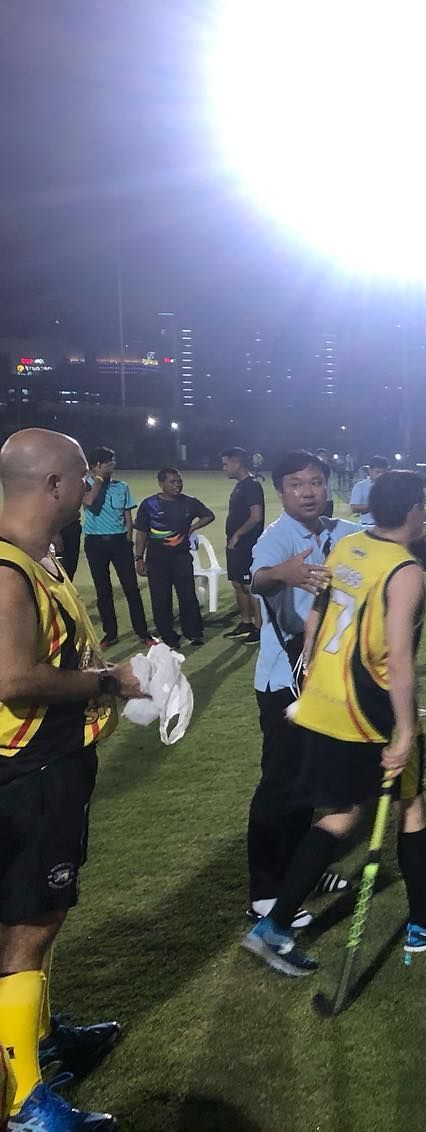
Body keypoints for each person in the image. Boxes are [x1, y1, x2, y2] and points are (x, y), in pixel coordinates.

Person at [242, 470, 426, 976]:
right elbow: (400, 659)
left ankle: (419, 918)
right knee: (376, 811)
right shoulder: (404, 570)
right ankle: (279, 926)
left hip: (326, 700)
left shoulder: (348, 546)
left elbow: (317, 613)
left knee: (366, 807)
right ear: (411, 509)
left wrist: (312, 672)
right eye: (422, 506)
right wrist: (405, 730)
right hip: (367, 709)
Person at [0, 428, 145, 1130]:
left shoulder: (40, 555)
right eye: (83, 476)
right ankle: (24, 1099)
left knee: (40, 916)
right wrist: (108, 680)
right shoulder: (8, 569)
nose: (91, 487)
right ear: (53, 485)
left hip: (54, 761)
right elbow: (12, 677)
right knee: (29, 924)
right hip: (31, 769)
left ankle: (40, 1040)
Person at [245, 451, 360, 928]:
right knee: (280, 784)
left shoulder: (343, 531)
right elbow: (258, 578)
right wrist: (283, 575)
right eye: (296, 484)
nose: (308, 491)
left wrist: (424, 527)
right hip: (284, 680)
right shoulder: (276, 538)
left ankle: (301, 873)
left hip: (325, 679)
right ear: (280, 492)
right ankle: (265, 892)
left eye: (315, 482)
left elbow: (380, 539)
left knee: (308, 781)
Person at [80, 446, 154, 649]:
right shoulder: (84, 485)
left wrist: (128, 539)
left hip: (120, 542)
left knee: (131, 588)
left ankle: (143, 632)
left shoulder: (122, 486)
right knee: (103, 590)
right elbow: (89, 501)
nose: (113, 465)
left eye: (113, 461)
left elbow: (128, 515)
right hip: (95, 543)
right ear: (96, 465)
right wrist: (98, 478)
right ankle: (110, 634)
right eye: (108, 462)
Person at [134, 468, 214, 649]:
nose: (177, 485)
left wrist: (192, 528)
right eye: (172, 482)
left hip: (181, 557)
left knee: (187, 595)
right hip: (157, 559)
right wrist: (139, 558)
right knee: (161, 598)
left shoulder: (189, 502)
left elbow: (209, 515)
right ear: (161, 484)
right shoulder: (149, 504)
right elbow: (141, 532)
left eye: (179, 481)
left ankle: (193, 632)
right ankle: (168, 635)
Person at [221, 447, 265, 644]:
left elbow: (256, 517)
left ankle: (259, 628)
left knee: (249, 586)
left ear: (237, 463)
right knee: (238, 584)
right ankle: (246, 623)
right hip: (235, 545)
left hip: (247, 544)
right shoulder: (240, 485)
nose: (224, 468)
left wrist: (238, 535)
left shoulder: (252, 486)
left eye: (226, 464)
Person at [348, 455, 387, 529]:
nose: (380, 475)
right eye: (377, 472)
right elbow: (354, 507)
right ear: (370, 470)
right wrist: (374, 505)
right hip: (368, 526)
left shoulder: (391, 486)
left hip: (387, 526)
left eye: (383, 472)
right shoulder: (360, 486)